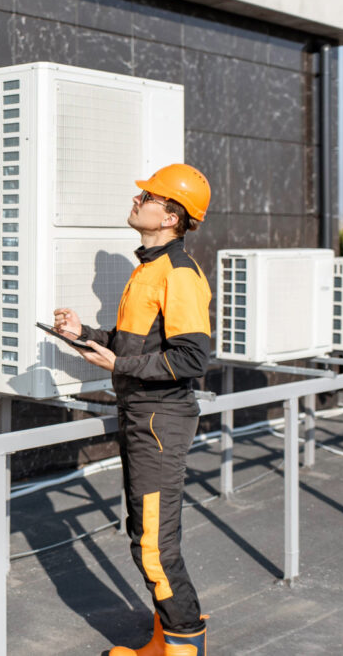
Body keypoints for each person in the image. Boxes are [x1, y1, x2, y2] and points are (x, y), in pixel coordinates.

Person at [54, 164, 212, 656]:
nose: (136, 198)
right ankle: (168, 639)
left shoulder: (179, 273)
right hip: (143, 414)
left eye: (147, 195)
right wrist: (87, 337)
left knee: (153, 543)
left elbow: (191, 357)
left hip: (159, 419)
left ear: (170, 216)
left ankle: (185, 644)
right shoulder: (149, 268)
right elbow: (133, 343)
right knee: (145, 533)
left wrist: (118, 360)